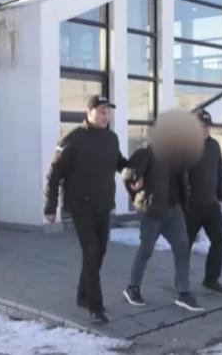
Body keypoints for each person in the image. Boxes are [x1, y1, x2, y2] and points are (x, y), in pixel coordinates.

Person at [44, 95, 128, 325]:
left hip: (103, 205)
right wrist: (50, 207)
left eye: (108, 112)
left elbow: (120, 163)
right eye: (101, 111)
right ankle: (95, 307)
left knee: (99, 253)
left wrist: (138, 170)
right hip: (80, 206)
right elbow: (53, 174)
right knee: (91, 252)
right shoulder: (73, 139)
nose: (105, 116)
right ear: (88, 112)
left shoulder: (111, 138)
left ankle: (83, 294)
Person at [122, 111, 205, 312]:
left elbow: (183, 182)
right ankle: (132, 287)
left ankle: (183, 292)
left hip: (173, 210)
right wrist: (137, 196)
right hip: (152, 212)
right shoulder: (146, 152)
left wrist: (185, 206)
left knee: (182, 248)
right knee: (146, 250)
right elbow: (127, 175)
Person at [186, 109, 222, 294]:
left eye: (207, 126)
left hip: (211, 204)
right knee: (185, 245)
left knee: (219, 239)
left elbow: (219, 172)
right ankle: (182, 283)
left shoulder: (214, 146)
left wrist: (221, 196)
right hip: (192, 206)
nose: (205, 129)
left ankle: (211, 279)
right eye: (201, 126)